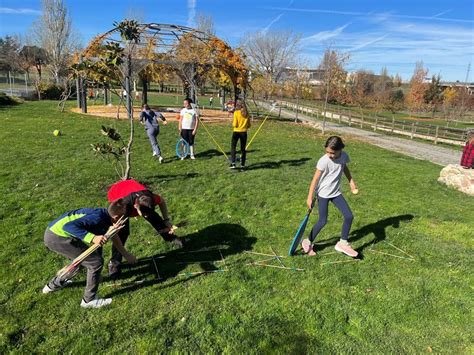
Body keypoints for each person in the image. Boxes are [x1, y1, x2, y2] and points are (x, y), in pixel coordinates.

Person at [42, 202, 137, 308]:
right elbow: (68, 226)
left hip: (55, 233)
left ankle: (52, 286)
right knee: (95, 262)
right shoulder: (97, 219)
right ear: (116, 217)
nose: (124, 223)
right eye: (124, 220)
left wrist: (125, 254)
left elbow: (113, 235)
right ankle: (89, 300)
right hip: (57, 237)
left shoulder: (105, 216)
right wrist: (93, 238)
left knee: (84, 261)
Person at [107, 179, 183, 278]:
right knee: (122, 233)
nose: (145, 217)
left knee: (154, 217)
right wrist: (126, 254)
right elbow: (115, 232)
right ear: (136, 206)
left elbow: (162, 202)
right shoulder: (123, 206)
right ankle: (114, 263)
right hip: (119, 192)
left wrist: (167, 220)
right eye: (143, 214)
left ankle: (171, 238)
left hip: (134, 189)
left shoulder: (150, 198)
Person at [302, 136, 359, 257]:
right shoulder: (324, 160)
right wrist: (309, 197)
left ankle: (342, 243)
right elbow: (315, 179)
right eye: (327, 151)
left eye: (332, 152)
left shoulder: (344, 156)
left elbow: (344, 168)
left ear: (340, 149)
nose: (329, 155)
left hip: (336, 192)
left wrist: (351, 182)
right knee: (322, 221)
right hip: (323, 194)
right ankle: (307, 241)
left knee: (349, 216)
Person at [230, 100, 251, 170]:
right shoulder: (247, 114)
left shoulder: (236, 113)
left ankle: (233, 163)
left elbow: (235, 124)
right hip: (244, 133)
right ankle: (242, 165)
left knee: (233, 147)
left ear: (238, 105)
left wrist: (232, 123)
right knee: (243, 149)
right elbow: (249, 125)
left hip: (236, 132)